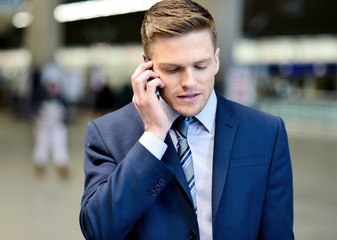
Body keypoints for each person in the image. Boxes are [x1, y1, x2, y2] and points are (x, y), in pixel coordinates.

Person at [79, 0, 294, 239]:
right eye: (173, 69)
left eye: (200, 66)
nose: (189, 82)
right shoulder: (108, 134)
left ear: (216, 60)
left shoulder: (265, 132)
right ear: (146, 66)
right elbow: (97, 230)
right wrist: (152, 137)